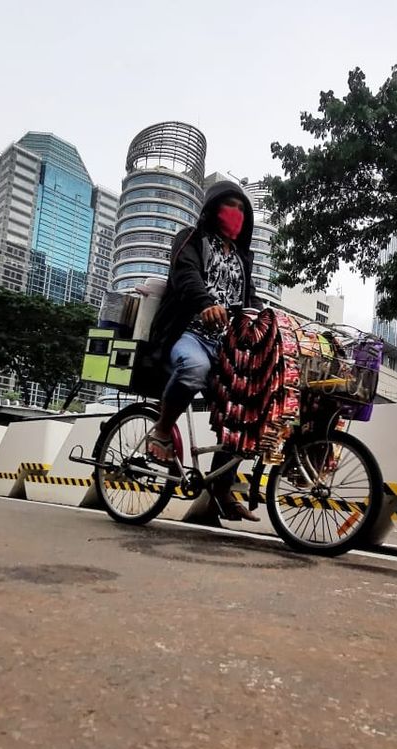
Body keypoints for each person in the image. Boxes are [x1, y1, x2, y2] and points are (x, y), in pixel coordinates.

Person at [146, 180, 262, 522]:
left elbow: (250, 301)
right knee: (193, 368)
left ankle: (222, 490)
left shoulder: (242, 258)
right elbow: (186, 277)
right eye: (230, 206)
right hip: (190, 334)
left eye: (242, 209)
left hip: (227, 345)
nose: (236, 213)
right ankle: (163, 430)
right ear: (213, 210)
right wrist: (206, 304)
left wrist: (267, 320)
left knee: (245, 409)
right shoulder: (191, 240)